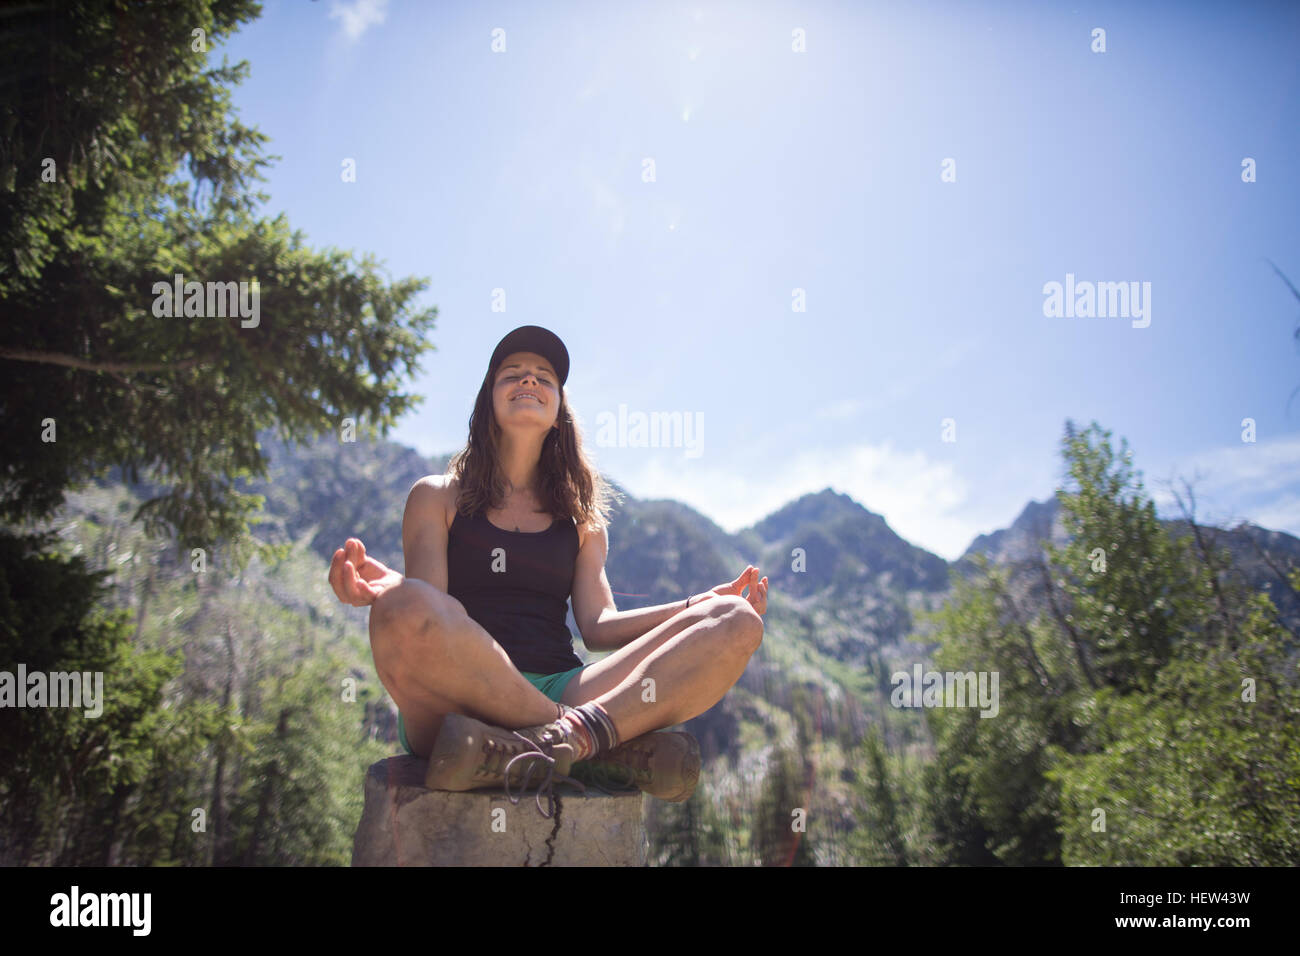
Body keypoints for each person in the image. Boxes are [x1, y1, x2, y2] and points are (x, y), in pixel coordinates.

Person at [328, 325, 768, 816]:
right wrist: (392, 591)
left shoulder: (582, 520)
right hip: (463, 692)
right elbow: (432, 613)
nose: (529, 381)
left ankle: (535, 744)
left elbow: (598, 627)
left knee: (736, 619)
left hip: (565, 686)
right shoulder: (435, 496)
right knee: (403, 608)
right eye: (511, 374)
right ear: (487, 402)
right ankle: (594, 745)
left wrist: (695, 606)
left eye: (544, 377)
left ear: (559, 412)